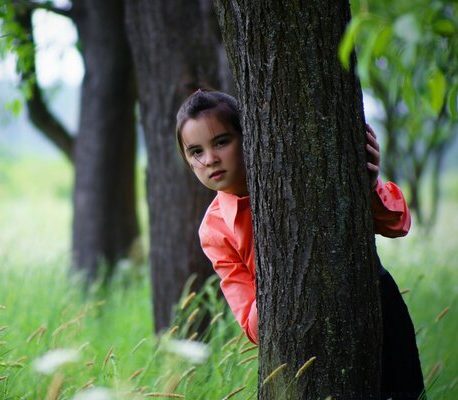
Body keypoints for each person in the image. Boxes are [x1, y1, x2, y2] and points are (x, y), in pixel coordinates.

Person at [176, 89, 425, 399]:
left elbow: (397, 224)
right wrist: (275, 265)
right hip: (303, 337)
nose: (210, 159)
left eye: (222, 142)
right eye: (196, 151)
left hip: (371, 304)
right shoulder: (215, 230)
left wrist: (369, 185)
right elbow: (253, 327)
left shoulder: (297, 174)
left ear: (249, 134)